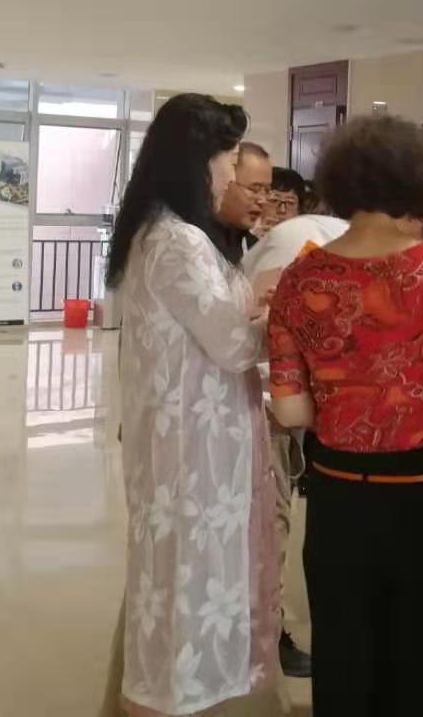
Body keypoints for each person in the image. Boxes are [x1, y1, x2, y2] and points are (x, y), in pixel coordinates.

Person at [267, 116, 423, 717]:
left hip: (339, 499)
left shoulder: (300, 277)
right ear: (421, 182)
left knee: (346, 662)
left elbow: (290, 408)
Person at [104, 94, 282, 717]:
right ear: (197, 160)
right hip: (192, 452)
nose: (232, 177)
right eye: (229, 162)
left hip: (188, 441)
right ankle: (168, 697)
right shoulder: (176, 241)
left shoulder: (161, 232)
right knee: (187, 579)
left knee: (177, 577)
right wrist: (279, 315)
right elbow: (233, 344)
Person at [241, 211, 352, 681]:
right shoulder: (304, 241)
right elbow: (268, 328)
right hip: (268, 404)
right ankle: (263, 639)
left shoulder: (338, 241)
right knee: (271, 525)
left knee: (271, 523)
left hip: (279, 401)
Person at [215, 142, 274, 263]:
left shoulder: (254, 245)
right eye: (254, 189)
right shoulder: (193, 241)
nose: (262, 200)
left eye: (267, 191)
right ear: (226, 182)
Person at [257, 167, 305, 238]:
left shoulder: (310, 240)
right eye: (274, 200)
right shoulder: (245, 239)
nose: (282, 210)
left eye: (290, 202)